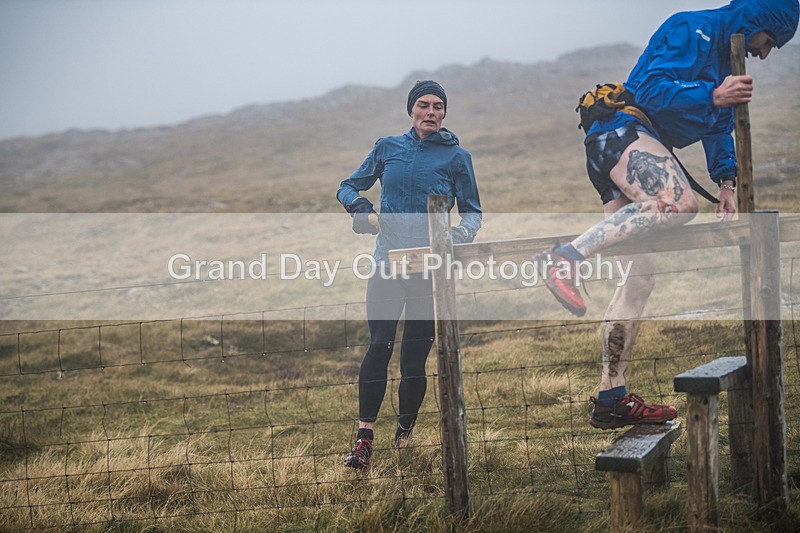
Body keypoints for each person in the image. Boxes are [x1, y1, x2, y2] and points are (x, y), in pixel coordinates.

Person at [534, 0, 798, 430]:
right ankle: (563, 257)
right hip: (621, 132)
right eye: (771, 41)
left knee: (639, 278)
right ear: (760, 22)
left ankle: (611, 396)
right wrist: (712, 94)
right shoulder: (691, 29)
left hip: (622, 147)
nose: (766, 53)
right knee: (679, 206)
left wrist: (726, 184)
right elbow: (651, 87)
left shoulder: (726, 58)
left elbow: (718, 127)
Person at [337, 80, 482, 468]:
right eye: (423, 105)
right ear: (411, 110)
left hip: (429, 272)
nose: (430, 112)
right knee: (379, 345)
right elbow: (347, 186)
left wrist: (457, 235)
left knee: (414, 359)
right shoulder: (388, 148)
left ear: (445, 113)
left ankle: (404, 436)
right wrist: (362, 211)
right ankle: (364, 438)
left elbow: (472, 211)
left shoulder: (457, 157)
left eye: (438, 106)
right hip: (387, 265)